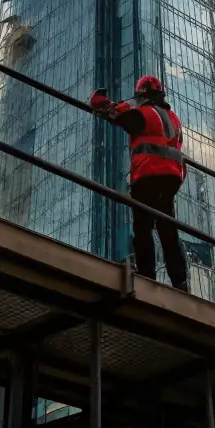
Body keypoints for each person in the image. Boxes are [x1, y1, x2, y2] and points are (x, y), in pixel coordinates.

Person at [90, 75, 189, 292]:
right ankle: (180, 280)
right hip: (171, 177)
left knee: (142, 227)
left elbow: (116, 114)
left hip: (148, 175)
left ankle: (147, 276)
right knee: (167, 228)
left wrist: (100, 103)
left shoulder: (144, 114)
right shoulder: (173, 118)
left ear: (142, 95)